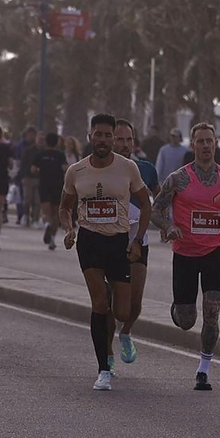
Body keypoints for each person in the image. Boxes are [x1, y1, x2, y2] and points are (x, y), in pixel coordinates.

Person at [150, 121, 220, 390]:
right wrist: (169, 226)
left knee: (212, 313)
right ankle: (178, 308)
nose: (206, 145)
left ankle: (204, 369)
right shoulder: (178, 179)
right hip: (185, 254)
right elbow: (155, 211)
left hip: (213, 254)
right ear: (193, 145)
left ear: (215, 143)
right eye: (200, 141)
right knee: (188, 321)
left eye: (210, 140)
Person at [60, 114, 153, 392]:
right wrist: (69, 229)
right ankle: (103, 369)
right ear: (90, 136)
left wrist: (137, 240)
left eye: (107, 135)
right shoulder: (75, 171)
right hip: (89, 241)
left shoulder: (128, 168)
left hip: (119, 242)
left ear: (113, 138)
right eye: (97, 134)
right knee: (99, 304)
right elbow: (65, 206)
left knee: (122, 311)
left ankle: (111, 297)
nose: (102, 140)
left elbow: (145, 205)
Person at [112, 119, 158, 364]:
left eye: (129, 139)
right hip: (108, 239)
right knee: (109, 301)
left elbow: (160, 199)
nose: (125, 144)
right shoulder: (100, 169)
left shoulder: (146, 169)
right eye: (120, 139)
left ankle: (126, 332)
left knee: (135, 302)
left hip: (138, 238)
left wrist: (168, 224)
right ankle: (106, 355)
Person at [31, 133, 68, 249]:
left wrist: (40, 171)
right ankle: (52, 238)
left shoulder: (40, 155)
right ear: (57, 142)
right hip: (57, 185)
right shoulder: (60, 155)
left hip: (44, 184)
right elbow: (65, 168)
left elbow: (33, 169)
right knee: (56, 213)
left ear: (46, 142)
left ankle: (47, 224)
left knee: (46, 211)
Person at [16, 126, 40, 226]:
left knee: (37, 200)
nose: (32, 137)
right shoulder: (26, 150)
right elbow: (22, 164)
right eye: (30, 135)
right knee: (27, 199)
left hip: (38, 178)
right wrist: (22, 177)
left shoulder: (40, 150)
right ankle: (25, 216)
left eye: (33, 135)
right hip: (27, 177)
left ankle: (35, 218)